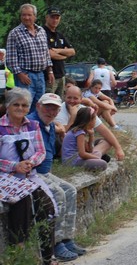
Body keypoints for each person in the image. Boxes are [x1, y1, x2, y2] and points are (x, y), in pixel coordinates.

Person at [0, 88, 58, 265]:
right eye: (16, 104)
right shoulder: (0, 127)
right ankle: (18, 252)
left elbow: (41, 151)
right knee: (21, 204)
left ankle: (48, 257)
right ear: (7, 106)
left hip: (29, 175)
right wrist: (14, 166)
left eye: (24, 105)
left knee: (47, 207)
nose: (20, 108)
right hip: (5, 177)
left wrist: (30, 162)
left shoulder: (33, 125)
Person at [28, 93, 87, 261]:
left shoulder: (50, 125)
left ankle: (67, 238)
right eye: (47, 107)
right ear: (38, 106)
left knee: (70, 189)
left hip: (45, 172)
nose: (51, 111)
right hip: (33, 174)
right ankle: (56, 244)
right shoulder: (31, 124)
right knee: (59, 194)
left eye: (54, 108)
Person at [55, 85, 125, 161]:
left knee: (107, 142)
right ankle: (92, 157)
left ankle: (91, 157)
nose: (72, 101)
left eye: (75, 98)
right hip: (67, 148)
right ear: (65, 97)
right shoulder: (60, 111)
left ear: (81, 99)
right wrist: (73, 117)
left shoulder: (85, 110)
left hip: (82, 147)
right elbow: (64, 136)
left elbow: (104, 131)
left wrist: (118, 148)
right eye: (69, 97)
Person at [6, 3, 54, 113]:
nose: (26, 17)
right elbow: (10, 58)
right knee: (24, 105)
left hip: (40, 75)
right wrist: (19, 74)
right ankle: (21, 129)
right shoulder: (15, 33)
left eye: (29, 15)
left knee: (39, 105)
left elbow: (46, 53)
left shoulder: (42, 31)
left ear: (35, 16)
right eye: (23, 15)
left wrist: (50, 70)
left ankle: (35, 129)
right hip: (25, 75)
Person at [62, 107, 110, 171]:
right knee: (103, 164)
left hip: (76, 158)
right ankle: (97, 159)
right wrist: (97, 158)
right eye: (94, 119)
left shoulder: (79, 130)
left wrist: (91, 135)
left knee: (97, 153)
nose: (95, 121)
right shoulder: (79, 133)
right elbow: (82, 154)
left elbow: (90, 150)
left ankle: (96, 159)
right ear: (89, 121)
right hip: (71, 161)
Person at [43, 6, 76, 96]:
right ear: (47, 17)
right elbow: (49, 54)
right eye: (52, 17)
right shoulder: (42, 33)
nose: (55, 20)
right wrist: (64, 55)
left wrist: (58, 50)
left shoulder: (59, 35)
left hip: (61, 74)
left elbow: (72, 51)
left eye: (57, 18)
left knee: (60, 102)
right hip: (49, 76)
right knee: (49, 101)